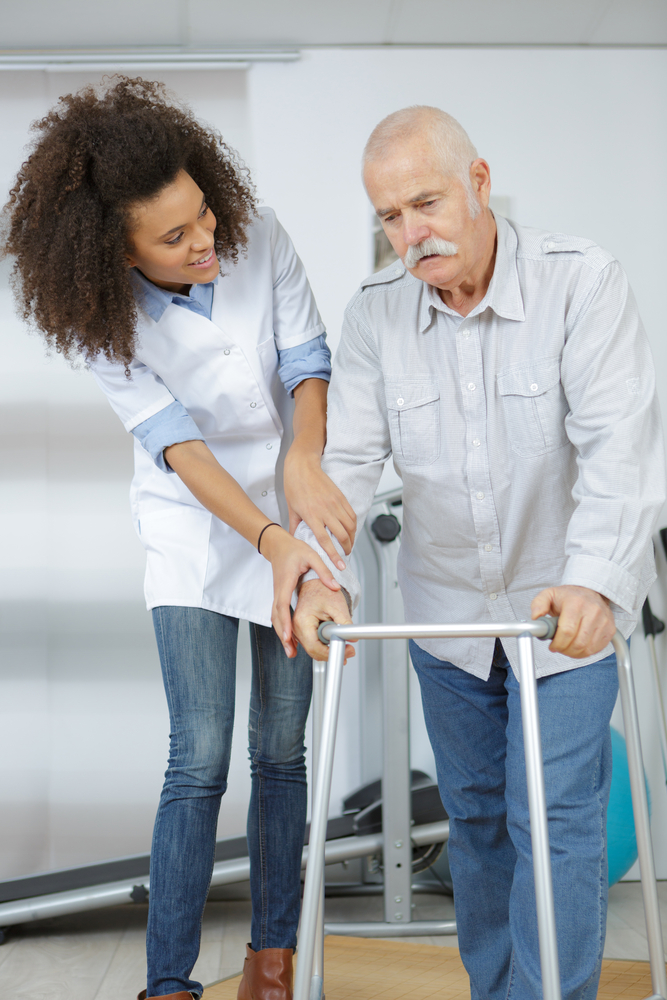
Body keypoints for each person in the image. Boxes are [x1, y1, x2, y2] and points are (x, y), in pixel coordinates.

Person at [288, 106, 666, 1000]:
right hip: (446, 614)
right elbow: (343, 466)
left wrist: (590, 582)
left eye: (426, 202)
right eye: (389, 216)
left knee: (559, 819)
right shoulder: (377, 314)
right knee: (478, 823)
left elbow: (621, 448)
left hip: (561, 613)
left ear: (479, 182)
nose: (410, 234)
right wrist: (316, 573)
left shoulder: (582, 283)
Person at [2, 77, 357, 1000]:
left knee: (281, 748)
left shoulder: (258, 232)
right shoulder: (98, 315)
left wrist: (304, 471)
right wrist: (267, 539)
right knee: (197, 755)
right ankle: (166, 984)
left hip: (292, 488)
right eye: (173, 237)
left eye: (203, 213)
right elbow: (179, 448)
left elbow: (306, 362)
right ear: (111, 249)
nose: (205, 241)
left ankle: (271, 961)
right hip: (191, 522)